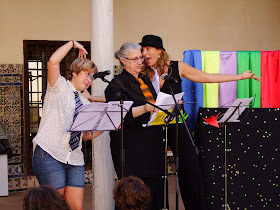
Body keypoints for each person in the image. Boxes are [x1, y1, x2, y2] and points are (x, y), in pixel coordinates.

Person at [139, 34, 262, 209]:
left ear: (159, 51)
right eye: (142, 49)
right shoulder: (142, 74)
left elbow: (208, 77)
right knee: (154, 172)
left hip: (177, 124)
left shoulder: (176, 67)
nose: (144, 53)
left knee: (190, 168)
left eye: (148, 49)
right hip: (153, 128)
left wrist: (239, 77)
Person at [32, 40, 103, 210]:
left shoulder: (86, 103)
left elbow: (84, 136)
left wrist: (105, 126)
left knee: (76, 207)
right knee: (55, 206)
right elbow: (53, 61)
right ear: (75, 72)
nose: (89, 80)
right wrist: (72, 44)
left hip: (75, 159)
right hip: (49, 154)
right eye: (87, 74)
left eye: (92, 77)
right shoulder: (59, 86)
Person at [105, 42, 166, 209]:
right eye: (134, 59)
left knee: (154, 193)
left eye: (140, 57)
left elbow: (154, 105)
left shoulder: (145, 80)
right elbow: (117, 114)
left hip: (152, 146)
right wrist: (145, 108)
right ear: (123, 60)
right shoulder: (116, 84)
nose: (140, 62)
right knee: (131, 194)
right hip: (131, 149)